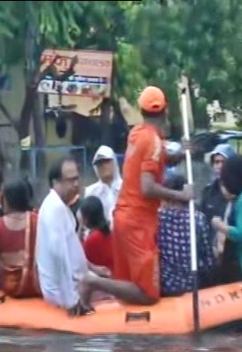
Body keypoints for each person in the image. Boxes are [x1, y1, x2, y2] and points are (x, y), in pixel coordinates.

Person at [78, 86, 192, 307]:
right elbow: (147, 187)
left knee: (128, 285)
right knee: (148, 294)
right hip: (137, 222)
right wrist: (181, 195)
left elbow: (156, 157)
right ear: (165, 112)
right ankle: (93, 282)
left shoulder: (137, 134)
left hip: (123, 217)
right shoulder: (153, 142)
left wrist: (178, 154)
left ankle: (124, 335)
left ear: (141, 111)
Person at [36, 157, 110, 316]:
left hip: (75, 283)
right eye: (70, 180)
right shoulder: (54, 209)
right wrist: (72, 301)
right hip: (64, 293)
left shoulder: (59, 206)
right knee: (115, 292)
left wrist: (92, 267)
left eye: (77, 179)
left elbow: (69, 251)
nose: (76, 184)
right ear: (56, 182)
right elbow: (59, 256)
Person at [158, 174, 214, 295]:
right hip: (192, 285)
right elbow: (207, 258)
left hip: (164, 285)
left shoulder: (157, 219)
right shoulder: (198, 218)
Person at [200, 143, 242, 285]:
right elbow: (201, 220)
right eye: (216, 162)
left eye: (222, 162)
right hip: (211, 252)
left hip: (233, 255)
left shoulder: (241, 193)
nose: (218, 166)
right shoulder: (208, 192)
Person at [84, 145, 122, 228]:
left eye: (106, 161)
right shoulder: (91, 192)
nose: (103, 166)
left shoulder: (126, 189)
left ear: (114, 162)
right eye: (99, 164)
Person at [79, 196, 114, 274]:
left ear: (86, 218)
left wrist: (80, 226)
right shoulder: (106, 231)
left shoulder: (93, 239)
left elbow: (78, 256)